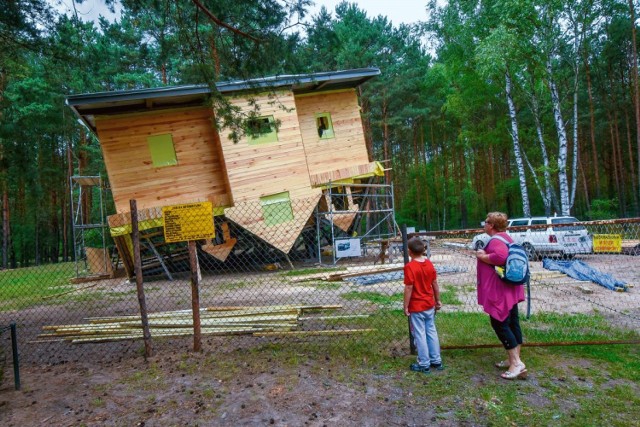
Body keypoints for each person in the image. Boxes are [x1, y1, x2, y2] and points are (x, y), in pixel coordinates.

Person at [475, 212, 527, 380]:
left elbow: (500, 257)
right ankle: (513, 359)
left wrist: (483, 256)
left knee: (500, 323)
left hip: (500, 290)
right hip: (511, 288)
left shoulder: (496, 240)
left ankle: (517, 364)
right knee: (512, 322)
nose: (484, 224)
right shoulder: (507, 238)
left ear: (491, 225)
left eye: (486, 222)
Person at [404, 237, 443, 374]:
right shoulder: (429, 264)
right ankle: (436, 360)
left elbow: (409, 287)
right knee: (431, 331)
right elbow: (435, 284)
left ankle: (424, 363)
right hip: (429, 304)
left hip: (416, 306)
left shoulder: (410, 267)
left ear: (409, 251)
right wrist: (437, 300)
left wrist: (405, 306)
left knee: (419, 334)